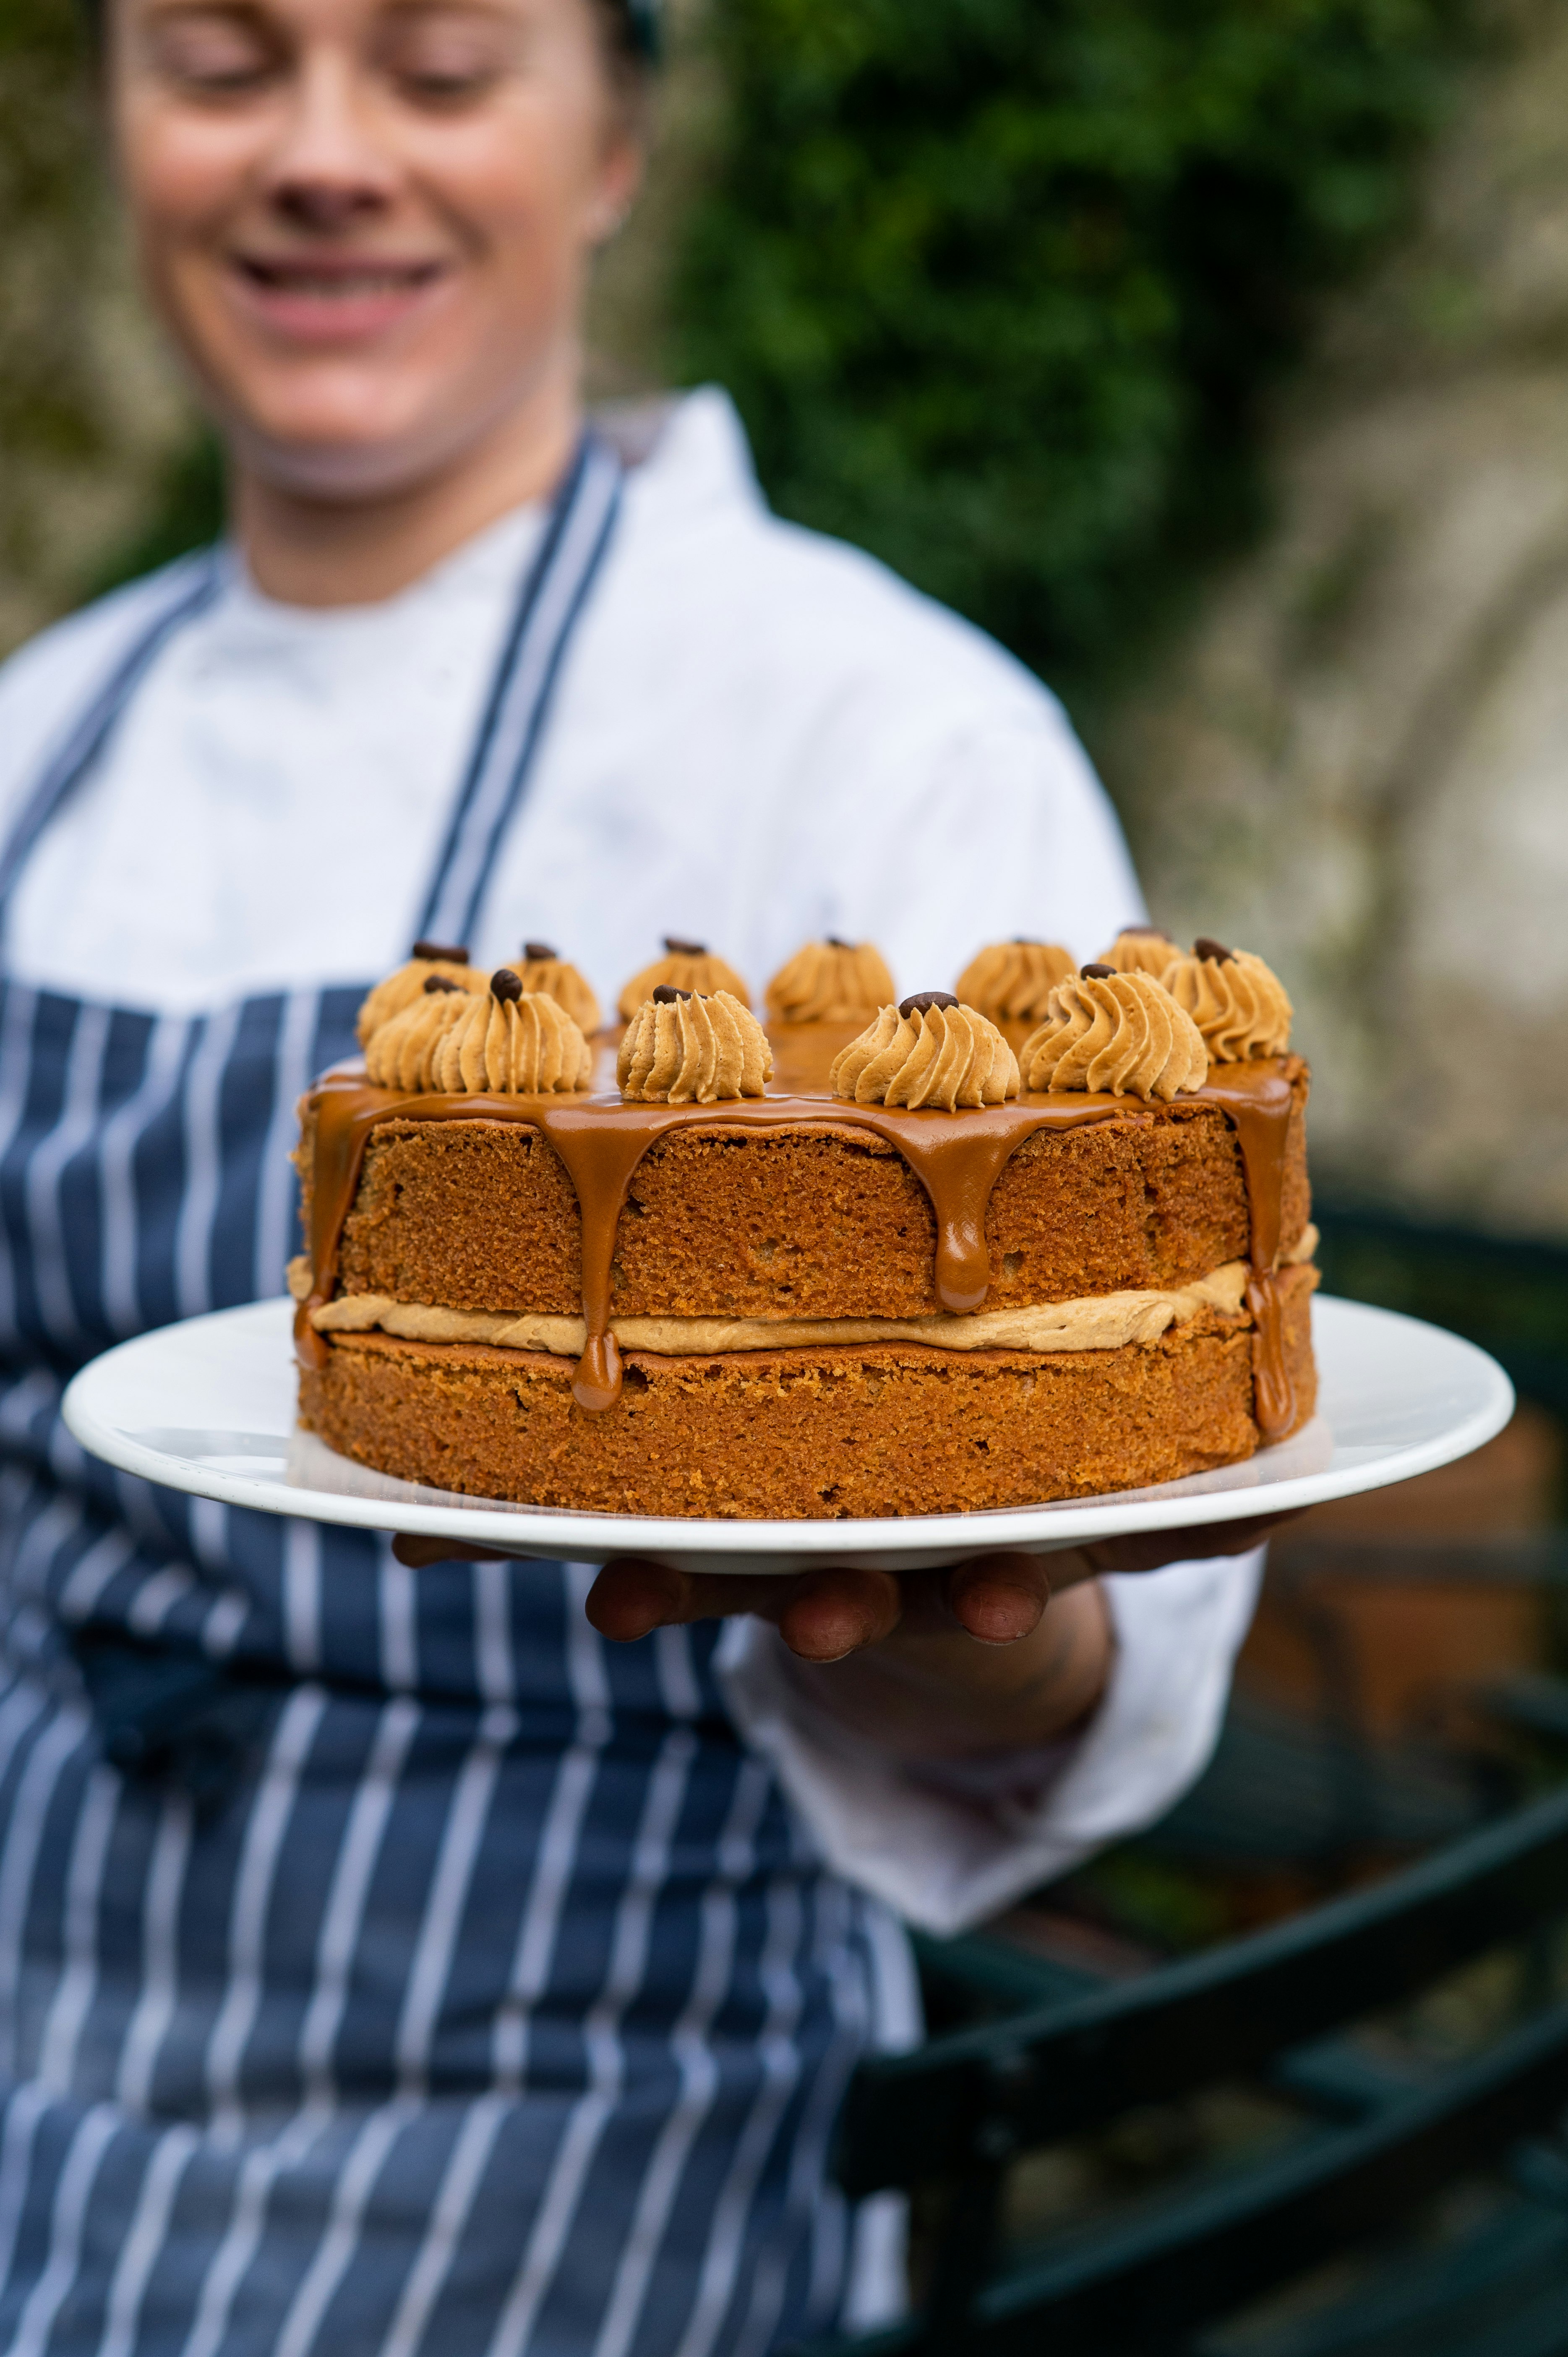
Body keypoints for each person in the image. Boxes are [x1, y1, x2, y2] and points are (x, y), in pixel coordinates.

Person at [0, 0, 1281, 2345]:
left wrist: (946, 1621)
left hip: (569, 2137)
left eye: (441, 70)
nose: (322, 155)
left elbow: (1081, 1679)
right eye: (218, 63)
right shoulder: (40, 732)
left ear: (614, 145)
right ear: (114, 131)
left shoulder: (873, 736)